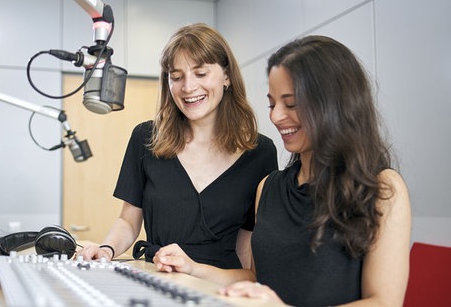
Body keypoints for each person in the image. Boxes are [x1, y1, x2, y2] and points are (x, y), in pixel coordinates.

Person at [152, 35, 412, 306]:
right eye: (272, 103)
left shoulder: (383, 189)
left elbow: (383, 302)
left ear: (334, 104)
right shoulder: (268, 187)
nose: (275, 116)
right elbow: (256, 278)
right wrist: (193, 268)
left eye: (291, 104)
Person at [80, 23, 278, 269]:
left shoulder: (260, 152)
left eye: (201, 73)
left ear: (227, 76)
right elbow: (129, 221)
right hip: (159, 275)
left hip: (221, 284)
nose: (188, 87)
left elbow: (247, 241)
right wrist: (106, 249)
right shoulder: (145, 138)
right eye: (176, 77)